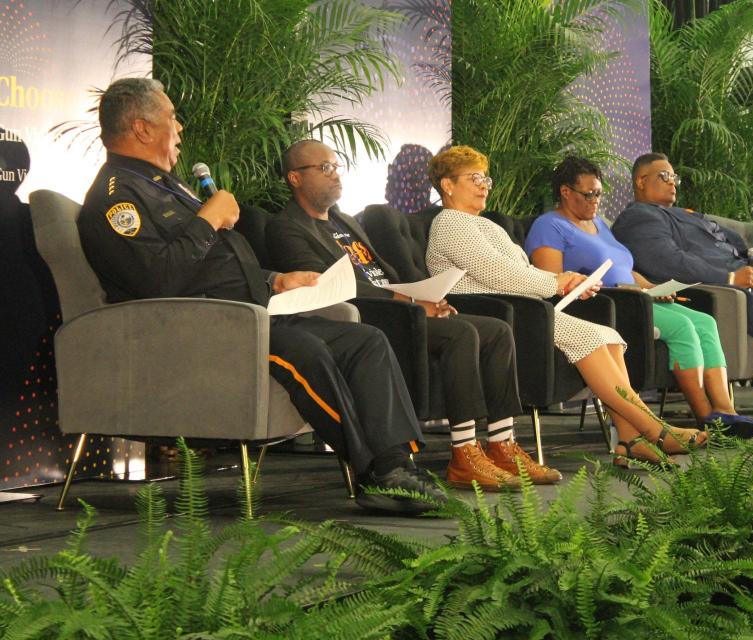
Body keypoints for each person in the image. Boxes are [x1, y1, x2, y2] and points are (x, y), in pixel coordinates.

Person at [76, 77, 445, 516]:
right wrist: (207, 220)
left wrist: (275, 280)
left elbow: (211, 267)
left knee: (366, 341)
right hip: (202, 327)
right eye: (172, 119)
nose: (180, 130)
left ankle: (395, 465)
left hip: (248, 313)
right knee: (305, 351)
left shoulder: (161, 185)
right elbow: (159, 279)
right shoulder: (117, 196)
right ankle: (374, 473)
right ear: (141, 128)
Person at [265, 139, 561, 490]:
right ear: (295, 178)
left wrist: (427, 297)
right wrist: (407, 302)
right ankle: (465, 455)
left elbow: (386, 272)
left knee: (496, 330)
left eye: (337, 166)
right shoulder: (286, 227)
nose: (335, 176)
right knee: (462, 334)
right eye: (324, 168)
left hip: (399, 307)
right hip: (369, 318)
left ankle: (501, 444)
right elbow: (331, 288)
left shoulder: (344, 221)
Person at [425, 145, 709, 466]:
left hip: (525, 309)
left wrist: (571, 281)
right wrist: (557, 283)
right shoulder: (449, 223)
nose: (483, 186)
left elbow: (522, 271)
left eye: (486, 179)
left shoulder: (487, 225)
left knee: (608, 337)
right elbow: (498, 273)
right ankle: (654, 429)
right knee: (592, 338)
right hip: (497, 315)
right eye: (474, 178)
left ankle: (630, 440)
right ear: (447, 185)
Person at [525, 156, 753, 437]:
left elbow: (624, 268)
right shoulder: (549, 226)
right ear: (566, 192)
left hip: (634, 299)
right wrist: (628, 293)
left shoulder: (600, 225)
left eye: (599, 194)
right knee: (682, 326)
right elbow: (554, 284)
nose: (595, 201)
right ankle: (706, 418)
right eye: (588, 194)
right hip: (604, 305)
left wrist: (651, 288)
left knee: (705, 322)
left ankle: (725, 411)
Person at [612, 153, 753, 430]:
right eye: (665, 177)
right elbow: (671, 262)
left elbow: (732, 241)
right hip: (719, 292)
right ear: (641, 181)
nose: (674, 183)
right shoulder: (638, 218)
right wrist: (729, 276)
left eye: (675, 178)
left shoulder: (684, 214)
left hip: (752, 281)